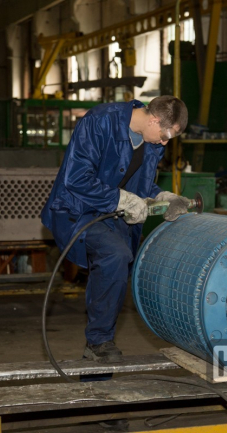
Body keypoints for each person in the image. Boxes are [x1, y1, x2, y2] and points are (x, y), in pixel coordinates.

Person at [41, 95, 189, 364]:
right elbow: (76, 178)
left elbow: (141, 186)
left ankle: (98, 364)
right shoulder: (99, 121)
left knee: (120, 265)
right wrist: (122, 199)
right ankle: (98, 341)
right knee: (115, 254)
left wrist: (162, 196)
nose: (165, 142)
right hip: (77, 210)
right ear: (154, 120)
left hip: (113, 213)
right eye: (166, 134)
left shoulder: (151, 141)